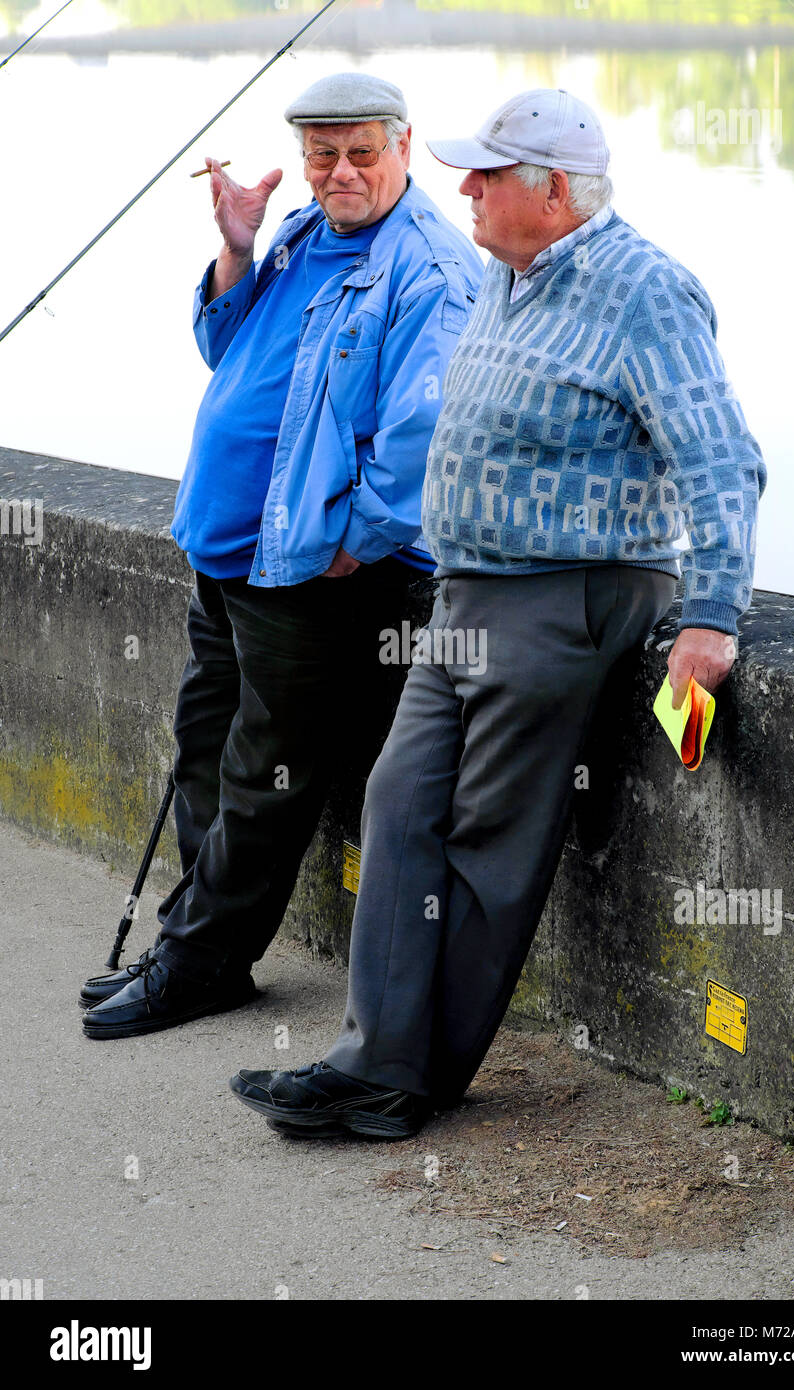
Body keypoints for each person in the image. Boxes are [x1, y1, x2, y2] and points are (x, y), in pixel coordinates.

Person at [229, 87, 767, 1138]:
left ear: (553, 191)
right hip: (467, 592)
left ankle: (409, 1081)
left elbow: (717, 459)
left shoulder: (644, 291)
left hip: (564, 593)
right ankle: (370, 1057)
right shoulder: (504, 272)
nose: (463, 188)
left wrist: (709, 612)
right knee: (399, 800)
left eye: (487, 174)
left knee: (489, 838)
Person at [79, 72, 483, 1039]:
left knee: (268, 776)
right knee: (203, 750)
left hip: (307, 570)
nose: (339, 172)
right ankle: (192, 935)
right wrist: (237, 246)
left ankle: (206, 961)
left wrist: (353, 546)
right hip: (227, 553)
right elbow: (224, 346)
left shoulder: (430, 269)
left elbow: (425, 438)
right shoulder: (302, 232)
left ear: (403, 145)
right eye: (321, 152)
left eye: (360, 152)